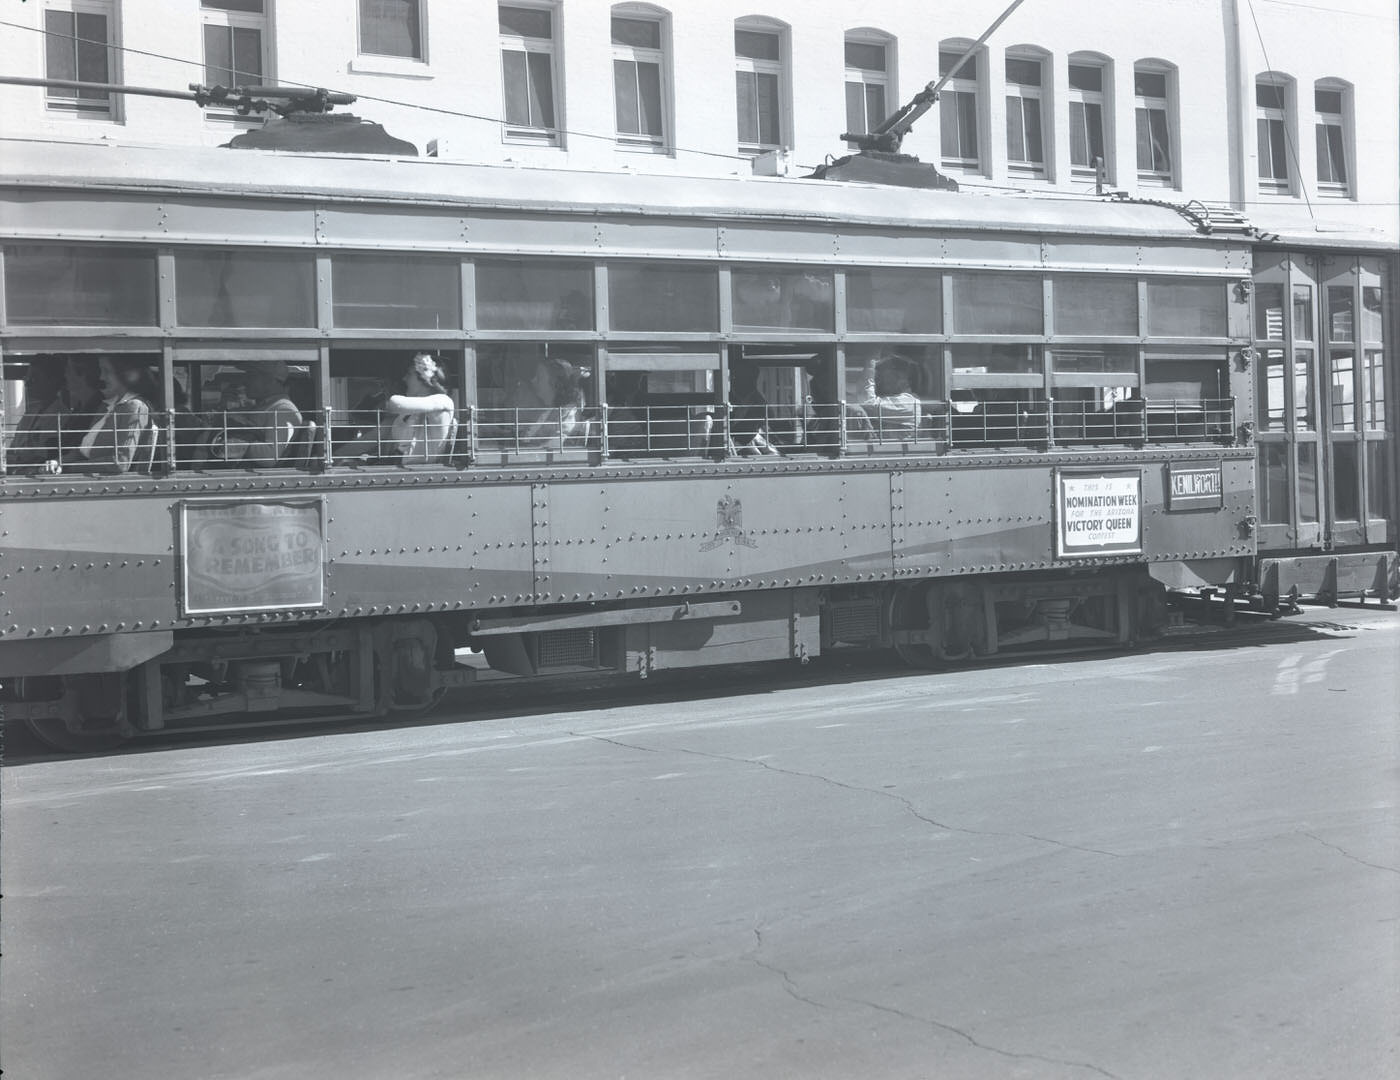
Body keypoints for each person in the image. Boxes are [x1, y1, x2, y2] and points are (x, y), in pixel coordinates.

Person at [339, 353, 455, 464]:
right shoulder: (405, 415)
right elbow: (369, 439)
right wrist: (336, 457)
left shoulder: (443, 401)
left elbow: (395, 403)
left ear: (424, 379)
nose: (404, 379)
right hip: (396, 467)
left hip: (418, 472)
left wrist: (386, 398)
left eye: (409, 374)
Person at [66, 356, 155, 474]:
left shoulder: (134, 407)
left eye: (107, 371)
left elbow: (121, 462)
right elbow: (82, 452)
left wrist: (71, 468)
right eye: (101, 371)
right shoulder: (107, 406)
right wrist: (57, 463)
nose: (102, 377)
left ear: (124, 375)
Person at [210, 360, 302, 465]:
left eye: (251, 375)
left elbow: (270, 456)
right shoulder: (265, 406)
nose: (245, 381)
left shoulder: (283, 410)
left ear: (269, 380)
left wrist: (239, 444)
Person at [513, 356, 586, 447]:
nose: (533, 380)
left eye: (539, 377)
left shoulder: (568, 413)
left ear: (554, 383)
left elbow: (556, 444)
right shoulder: (547, 409)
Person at [7, 357, 67, 464]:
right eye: (27, 378)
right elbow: (14, 447)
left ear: (52, 381)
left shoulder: (61, 416)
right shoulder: (30, 413)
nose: (27, 384)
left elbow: (42, 456)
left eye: (34, 378)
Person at [849, 353, 921, 440]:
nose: (886, 380)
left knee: (853, 408)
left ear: (907, 381)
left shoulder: (909, 402)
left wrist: (870, 367)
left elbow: (869, 403)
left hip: (891, 450)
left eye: (894, 376)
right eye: (883, 376)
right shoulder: (891, 395)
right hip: (878, 449)